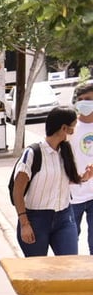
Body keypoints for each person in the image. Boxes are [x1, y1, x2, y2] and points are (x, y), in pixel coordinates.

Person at [13, 107, 89, 257]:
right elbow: (17, 192)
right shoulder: (33, 153)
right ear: (64, 128)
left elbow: (64, 179)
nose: (75, 131)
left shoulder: (65, 151)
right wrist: (25, 224)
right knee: (39, 272)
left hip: (64, 217)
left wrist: (84, 177)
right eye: (74, 126)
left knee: (69, 266)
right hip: (36, 220)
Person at [70, 82, 93, 253]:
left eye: (89, 99)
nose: (84, 102)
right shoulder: (70, 128)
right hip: (73, 196)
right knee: (69, 242)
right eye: (81, 99)